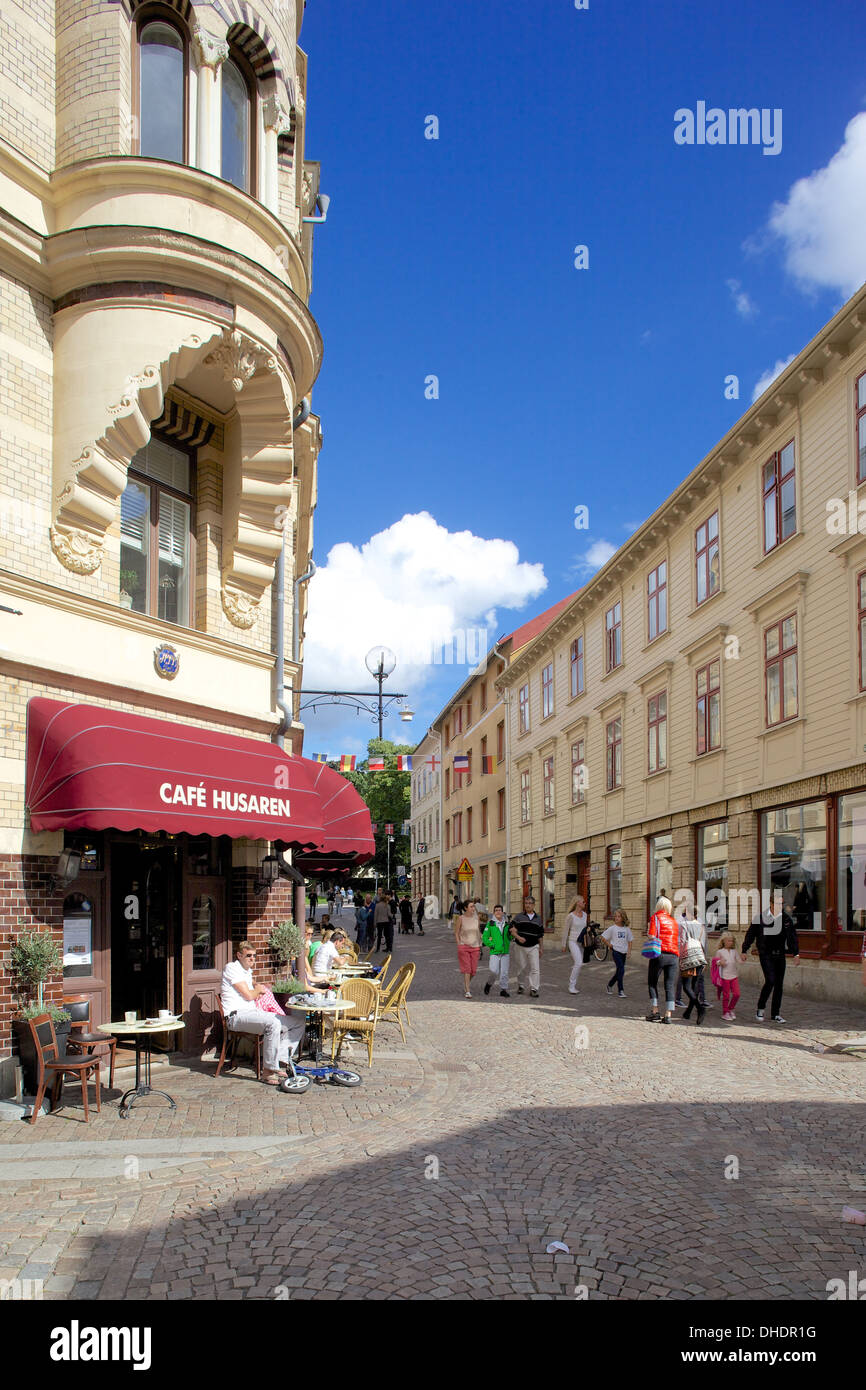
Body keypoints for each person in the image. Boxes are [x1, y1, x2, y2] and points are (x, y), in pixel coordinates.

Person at [220, 942, 306, 1086]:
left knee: (298, 1023)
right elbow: (248, 995)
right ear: (239, 955)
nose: (252, 959)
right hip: (236, 1016)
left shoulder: (246, 971)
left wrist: (256, 985)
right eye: (248, 956)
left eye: (254, 956)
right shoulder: (232, 968)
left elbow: (250, 984)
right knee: (273, 1023)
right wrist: (258, 990)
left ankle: (280, 1061)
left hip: (253, 1013)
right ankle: (268, 1071)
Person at [741, 907, 799, 1023]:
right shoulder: (760, 918)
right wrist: (744, 950)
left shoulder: (785, 918)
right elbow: (751, 934)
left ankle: (775, 1014)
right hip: (766, 954)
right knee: (770, 980)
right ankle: (760, 1008)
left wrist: (796, 953)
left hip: (780, 954)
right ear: (771, 904)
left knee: (779, 984)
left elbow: (792, 936)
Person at [645, 896, 680, 1023]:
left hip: (659, 953)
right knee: (669, 985)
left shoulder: (655, 917)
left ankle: (655, 1011)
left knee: (652, 983)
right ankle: (668, 1015)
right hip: (674, 955)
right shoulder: (673, 921)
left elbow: (652, 935)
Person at [509, 896, 544, 997]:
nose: (527, 905)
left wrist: (541, 948)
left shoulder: (538, 919)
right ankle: (521, 985)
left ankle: (534, 988)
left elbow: (540, 935)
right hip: (520, 946)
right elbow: (511, 929)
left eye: (529, 903)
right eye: (526, 903)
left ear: (533, 905)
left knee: (535, 968)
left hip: (534, 946)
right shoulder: (519, 917)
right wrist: (518, 937)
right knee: (521, 968)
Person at [454, 900, 483, 998]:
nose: (473, 908)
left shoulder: (477, 918)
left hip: (475, 946)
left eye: (474, 906)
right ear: (466, 908)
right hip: (464, 946)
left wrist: (483, 938)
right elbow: (456, 932)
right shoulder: (461, 918)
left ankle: (466, 984)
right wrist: (459, 944)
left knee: (473, 970)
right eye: (471, 907)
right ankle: (467, 990)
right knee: (467, 969)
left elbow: (478, 931)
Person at [562, 895, 589, 995]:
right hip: (572, 942)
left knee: (579, 964)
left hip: (581, 942)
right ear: (577, 903)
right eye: (583, 901)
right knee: (578, 962)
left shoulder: (585, 915)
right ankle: (571, 986)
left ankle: (573, 984)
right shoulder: (570, 916)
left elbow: (585, 928)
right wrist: (563, 944)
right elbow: (565, 931)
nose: (584, 903)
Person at [482, 904, 511, 996]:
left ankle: (503, 989)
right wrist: (492, 945)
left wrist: (513, 933)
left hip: (505, 951)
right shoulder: (490, 924)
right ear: (494, 913)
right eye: (496, 910)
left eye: (500, 910)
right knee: (494, 971)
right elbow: (485, 938)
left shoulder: (507, 924)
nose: (498, 912)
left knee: (504, 972)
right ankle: (489, 984)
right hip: (494, 951)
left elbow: (509, 937)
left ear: (502, 912)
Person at [603, 908, 633, 997]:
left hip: (623, 952)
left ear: (623, 918)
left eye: (619, 916)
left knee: (619, 971)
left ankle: (610, 985)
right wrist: (609, 945)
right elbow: (603, 937)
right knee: (622, 970)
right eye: (615, 916)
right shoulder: (612, 928)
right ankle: (621, 990)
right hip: (616, 952)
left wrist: (629, 951)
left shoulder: (626, 929)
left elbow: (630, 940)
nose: (616, 918)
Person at [714, 931, 741, 1020]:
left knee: (737, 994)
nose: (730, 942)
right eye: (728, 941)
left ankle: (730, 1009)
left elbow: (739, 960)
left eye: (731, 941)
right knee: (726, 995)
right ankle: (725, 1012)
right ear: (723, 941)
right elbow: (714, 962)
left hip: (734, 975)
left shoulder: (734, 951)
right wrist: (719, 962)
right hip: (724, 976)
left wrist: (743, 959)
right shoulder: (720, 952)